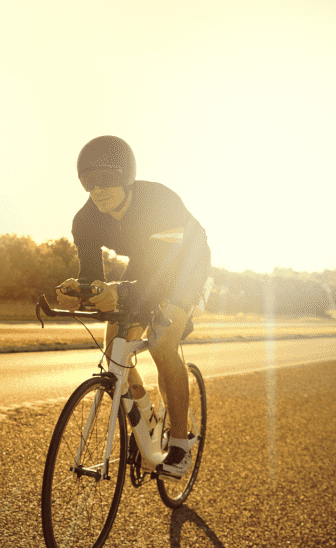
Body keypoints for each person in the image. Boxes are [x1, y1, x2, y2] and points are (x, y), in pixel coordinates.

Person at [56, 135, 211, 479]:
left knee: (161, 341)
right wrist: (77, 292)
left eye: (106, 178)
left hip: (185, 263)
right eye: (88, 181)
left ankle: (180, 444)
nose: (97, 189)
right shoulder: (85, 220)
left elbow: (163, 277)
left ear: (127, 176)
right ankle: (147, 424)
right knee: (114, 349)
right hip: (147, 263)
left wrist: (119, 292)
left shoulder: (159, 202)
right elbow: (93, 276)